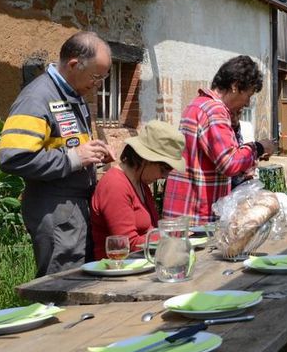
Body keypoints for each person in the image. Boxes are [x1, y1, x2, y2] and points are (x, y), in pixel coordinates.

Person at [0, 32, 116, 277]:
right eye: (96, 77)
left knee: (83, 283)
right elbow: (13, 157)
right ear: (74, 64)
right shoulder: (37, 98)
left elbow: (67, 143)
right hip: (55, 211)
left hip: (76, 210)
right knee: (61, 287)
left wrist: (93, 152)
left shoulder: (74, 95)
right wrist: (74, 159)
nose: (98, 85)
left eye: (103, 78)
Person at [162, 55, 276, 223]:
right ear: (236, 86)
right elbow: (229, 163)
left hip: (184, 214)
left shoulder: (198, 104)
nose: (247, 103)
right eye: (249, 95)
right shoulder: (215, 111)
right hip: (196, 220)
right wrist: (259, 147)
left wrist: (235, 128)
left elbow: (219, 159)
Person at [90, 121, 186, 260]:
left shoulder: (141, 184)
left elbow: (150, 231)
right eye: (164, 169)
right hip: (114, 273)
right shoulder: (115, 185)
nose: (164, 176)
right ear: (146, 159)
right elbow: (128, 245)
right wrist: (171, 235)